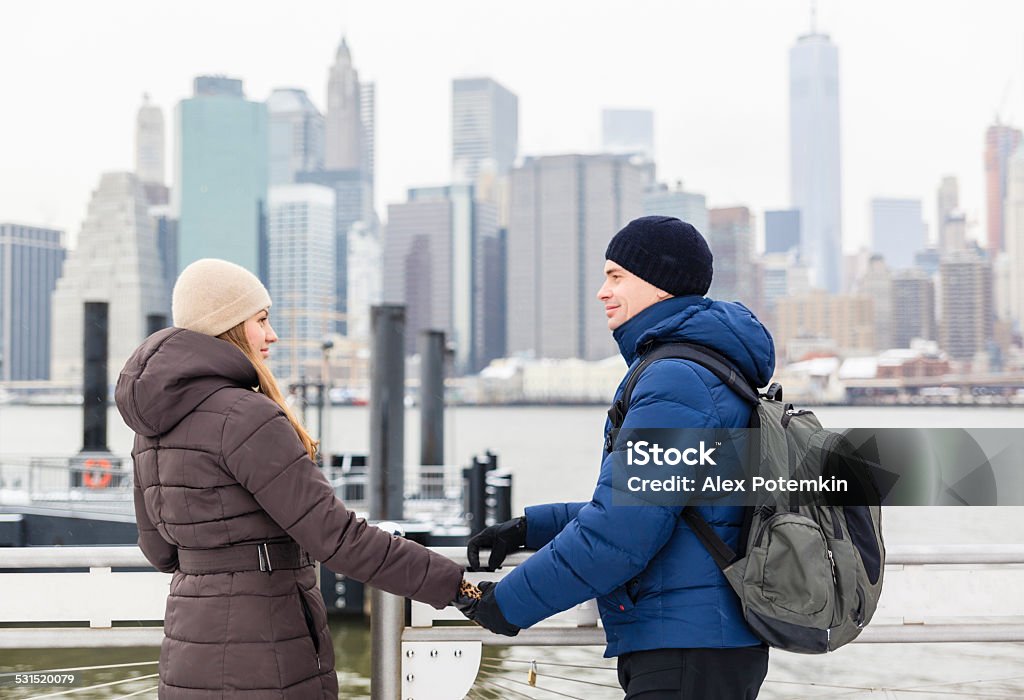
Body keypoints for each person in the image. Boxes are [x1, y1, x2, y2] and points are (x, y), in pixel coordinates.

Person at [115, 258, 475, 698]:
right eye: (261, 321)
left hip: (187, 656)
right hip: (266, 656)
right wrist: (456, 584)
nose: (272, 335)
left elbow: (158, 549)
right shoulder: (246, 416)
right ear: (228, 327)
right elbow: (338, 538)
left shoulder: (150, 427)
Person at [462, 216, 776, 699]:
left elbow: (623, 531)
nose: (602, 292)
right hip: (702, 642)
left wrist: (507, 603)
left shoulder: (675, 377)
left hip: (685, 649)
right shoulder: (705, 368)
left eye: (616, 276)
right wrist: (533, 528)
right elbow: (671, 503)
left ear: (659, 285)